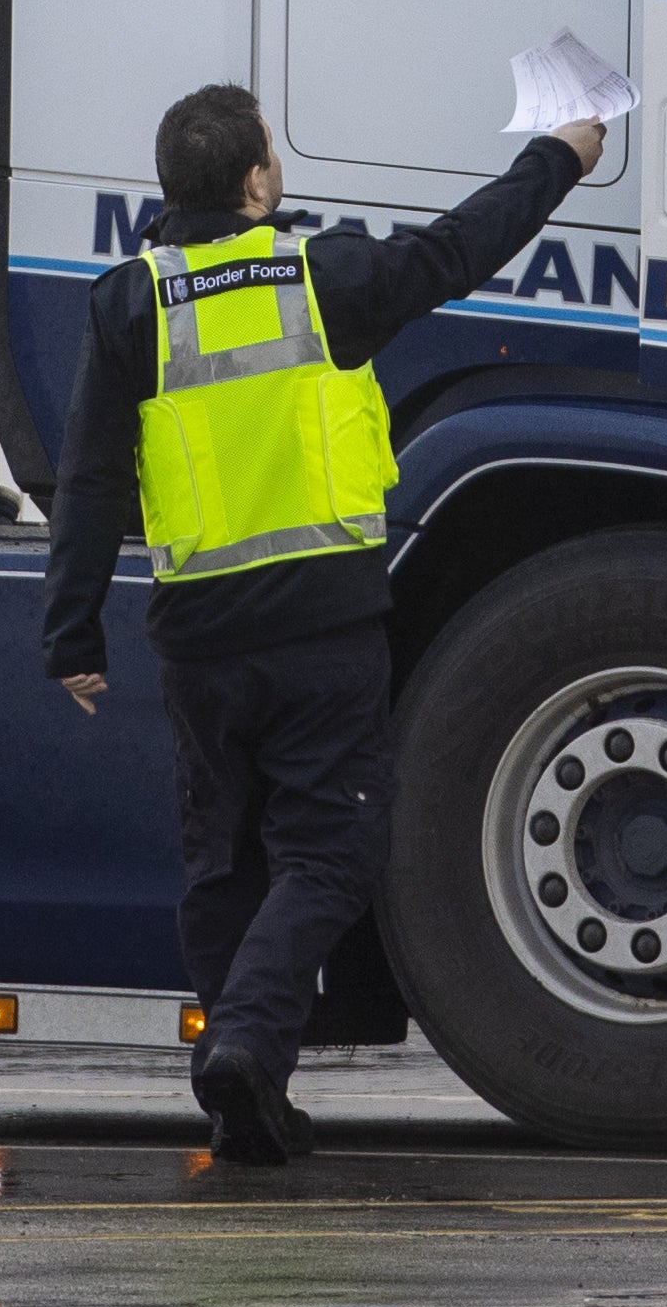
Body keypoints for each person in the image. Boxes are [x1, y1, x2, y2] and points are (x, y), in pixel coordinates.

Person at [39, 81, 604, 1166]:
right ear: (257, 181)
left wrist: (72, 632)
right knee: (328, 856)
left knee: (220, 864)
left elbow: (92, 479)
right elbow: (458, 249)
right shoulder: (322, 275)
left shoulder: (129, 302)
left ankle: (242, 1095)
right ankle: (246, 1046)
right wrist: (560, 156)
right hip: (324, 632)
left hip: (201, 634)